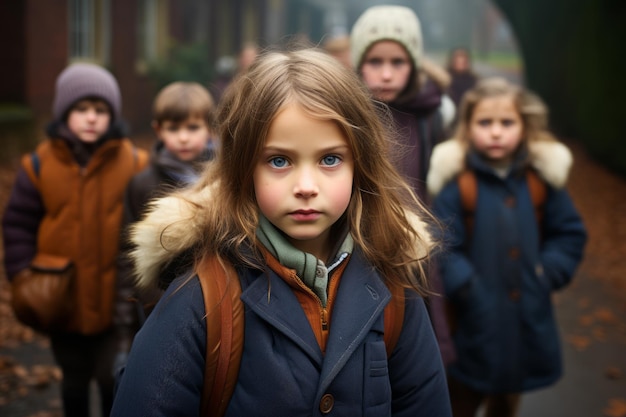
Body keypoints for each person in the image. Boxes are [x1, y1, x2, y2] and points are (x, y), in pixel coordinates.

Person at [110, 47, 452, 416]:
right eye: (279, 160)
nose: (306, 185)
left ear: (360, 164)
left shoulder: (393, 285)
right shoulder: (204, 295)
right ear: (244, 169)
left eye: (330, 159)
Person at [426, 77, 587, 417]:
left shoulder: (539, 181)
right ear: (468, 128)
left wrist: (548, 271)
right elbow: (441, 242)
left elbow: (569, 232)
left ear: (524, 127)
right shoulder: (460, 185)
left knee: (507, 402)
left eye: (507, 123)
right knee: (460, 402)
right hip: (472, 325)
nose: (496, 132)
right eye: (485, 123)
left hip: (524, 324)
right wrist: (465, 284)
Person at [1, 63, 148, 417]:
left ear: (111, 114)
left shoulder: (134, 163)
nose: (91, 118)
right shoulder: (38, 165)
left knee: (111, 377)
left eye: (100, 110)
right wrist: (23, 273)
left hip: (117, 303)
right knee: (73, 379)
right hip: (62, 300)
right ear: (64, 112)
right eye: (81, 109)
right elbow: (18, 223)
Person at [350, 4, 456, 366]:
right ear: (357, 62)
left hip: (420, 247)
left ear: (414, 65)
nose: (386, 74)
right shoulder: (346, 116)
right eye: (375, 61)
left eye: (398, 62)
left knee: (416, 347)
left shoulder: (431, 117)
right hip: (360, 244)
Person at [114, 81, 218, 353]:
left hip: (218, 304)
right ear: (158, 130)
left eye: (192, 128)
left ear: (209, 129)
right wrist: (129, 321)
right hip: (160, 306)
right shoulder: (142, 184)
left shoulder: (226, 180)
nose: (183, 137)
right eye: (173, 128)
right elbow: (128, 254)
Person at [446, 47, 479, 131]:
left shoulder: (474, 80)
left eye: (463, 61)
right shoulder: (446, 78)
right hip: (450, 116)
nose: (460, 64)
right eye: (458, 61)